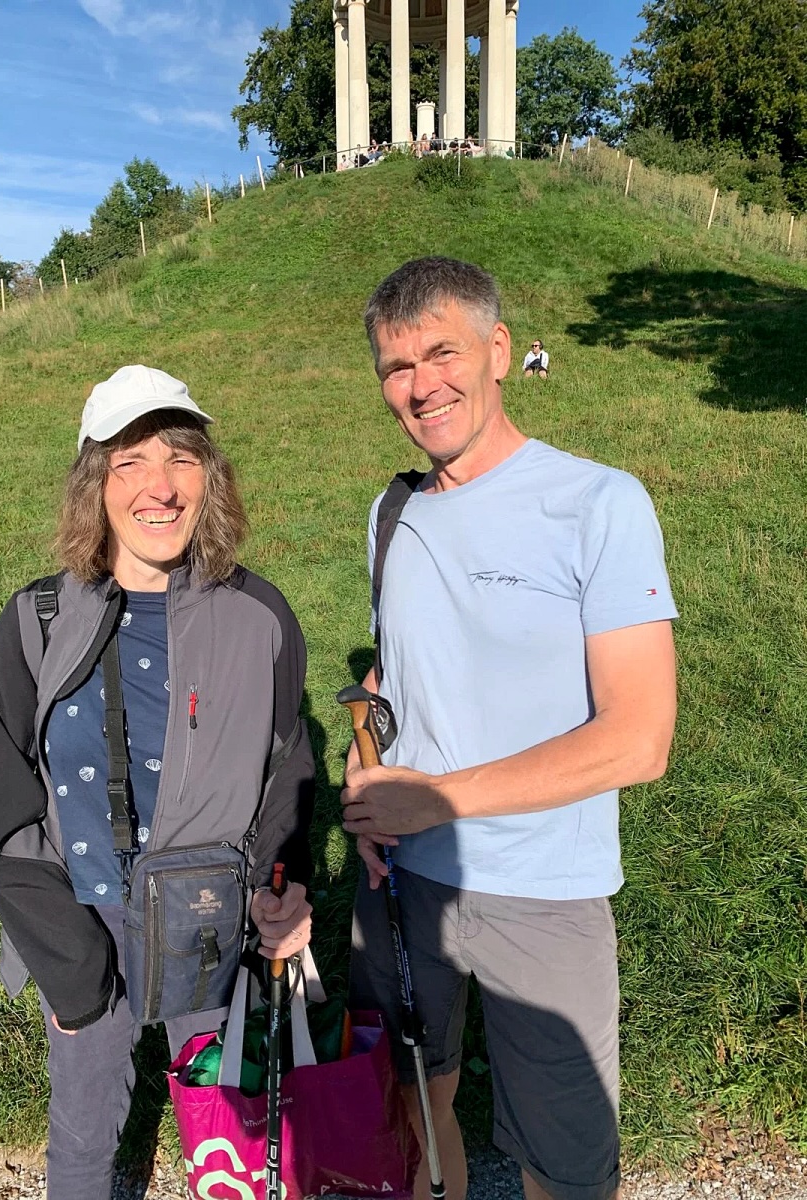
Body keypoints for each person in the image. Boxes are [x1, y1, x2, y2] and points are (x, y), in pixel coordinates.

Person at [342, 258, 677, 1200]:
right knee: (413, 1104)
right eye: (395, 367)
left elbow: (639, 738)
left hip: (547, 890)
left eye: (441, 352)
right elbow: (387, 675)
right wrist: (366, 774)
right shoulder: (393, 510)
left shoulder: (599, 503)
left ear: (499, 351)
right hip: (407, 882)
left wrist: (436, 798)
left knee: (566, 1164)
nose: (420, 385)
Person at [0, 365, 315, 1200]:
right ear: (96, 485)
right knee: (84, 1147)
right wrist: (70, 972)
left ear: (210, 478)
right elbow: (6, 808)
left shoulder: (258, 616)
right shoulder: (35, 622)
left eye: (180, 459)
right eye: (128, 462)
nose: (158, 487)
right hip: (82, 921)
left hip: (210, 925)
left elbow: (287, 767)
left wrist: (282, 885)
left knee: (229, 1141)